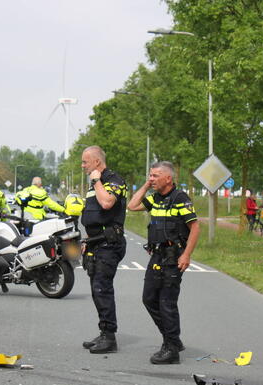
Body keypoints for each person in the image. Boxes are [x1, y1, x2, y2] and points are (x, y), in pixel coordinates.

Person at [127, 161, 200, 364]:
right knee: (149, 298)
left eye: (155, 176)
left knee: (167, 303)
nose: (152, 179)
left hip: (174, 256)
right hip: (157, 256)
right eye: (150, 175)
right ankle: (173, 339)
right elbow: (132, 206)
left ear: (169, 178)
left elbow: (195, 228)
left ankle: (171, 349)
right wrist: (145, 186)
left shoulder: (180, 198)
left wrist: (186, 255)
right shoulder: (155, 198)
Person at [80, 146, 127, 354]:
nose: (83, 166)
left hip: (109, 244)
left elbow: (107, 203)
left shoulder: (114, 180)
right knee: (96, 290)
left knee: (102, 288)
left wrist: (97, 180)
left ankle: (110, 337)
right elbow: (93, 216)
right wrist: (87, 241)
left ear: (97, 163)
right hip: (95, 243)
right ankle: (103, 332)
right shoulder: (94, 184)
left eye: (85, 162)